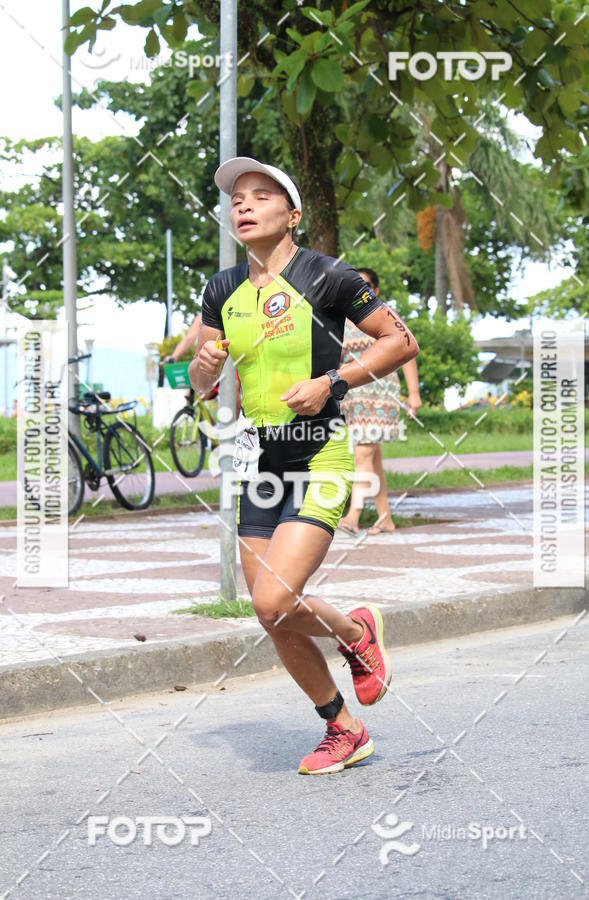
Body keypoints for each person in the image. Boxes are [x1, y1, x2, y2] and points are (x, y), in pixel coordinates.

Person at [189, 157, 419, 775]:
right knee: (270, 613)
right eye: (237, 198)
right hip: (258, 460)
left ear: (291, 215)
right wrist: (206, 371)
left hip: (319, 449)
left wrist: (332, 382)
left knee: (274, 600)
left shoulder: (329, 276)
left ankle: (355, 632)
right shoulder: (221, 289)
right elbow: (200, 377)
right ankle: (343, 728)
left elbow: (400, 341)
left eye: (260, 196)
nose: (243, 205)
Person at [338, 267, 422, 536]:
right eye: (355, 285)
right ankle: (385, 517)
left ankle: (353, 516)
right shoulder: (341, 319)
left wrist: (414, 394)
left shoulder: (383, 315)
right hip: (353, 395)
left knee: (363, 452)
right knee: (372, 457)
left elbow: (406, 351)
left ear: (375, 290)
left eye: (366, 286)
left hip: (379, 392)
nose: (361, 290)